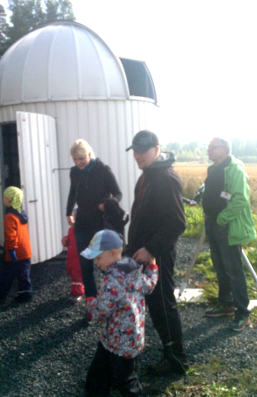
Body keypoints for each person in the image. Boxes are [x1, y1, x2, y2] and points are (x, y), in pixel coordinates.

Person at [126, 130, 189, 376]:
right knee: (154, 305)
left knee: (162, 304)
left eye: (142, 151)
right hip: (143, 252)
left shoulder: (165, 178)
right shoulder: (148, 175)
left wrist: (151, 249)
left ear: (156, 149)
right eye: (135, 151)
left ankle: (177, 359)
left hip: (158, 254)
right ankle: (168, 351)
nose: (137, 155)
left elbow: (177, 223)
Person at [82, 229, 158, 397]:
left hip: (119, 341)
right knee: (100, 369)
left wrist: (90, 302)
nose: (95, 262)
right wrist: (152, 266)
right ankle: (94, 391)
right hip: (126, 339)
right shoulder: (134, 271)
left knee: (125, 379)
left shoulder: (113, 279)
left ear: (113, 253)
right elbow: (149, 285)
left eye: (98, 258)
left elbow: (101, 311)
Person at [202, 137, 256, 332]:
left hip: (225, 225)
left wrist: (221, 219)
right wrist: (208, 215)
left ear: (225, 149)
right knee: (220, 267)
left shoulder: (235, 169)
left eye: (212, 147)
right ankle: (225, 304)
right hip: (213, 223)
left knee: (233, 270)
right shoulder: (213, 168)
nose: (208, 150)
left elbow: (240, 199)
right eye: (208, 146)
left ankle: (243, 312)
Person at [66, 139, 122, 317]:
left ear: (89, 154)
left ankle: (112, 302)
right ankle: (91, 306)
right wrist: (68, 212)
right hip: (82, 223)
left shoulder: (103, 170)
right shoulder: (74, 172)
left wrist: (107, 204)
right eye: (75, 159)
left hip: (100, 223)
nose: (78, 163)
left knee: (106, 266)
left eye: (81, 158)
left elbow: (118, 194)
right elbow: (72, 192)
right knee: (85, 266)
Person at [0, 186, 33, 303]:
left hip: (14, 252)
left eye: (5, 197)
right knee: (24, 275)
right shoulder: (22, 214)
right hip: (25, 251)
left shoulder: (9, 216)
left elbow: (11, 235)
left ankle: (0, 295)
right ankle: (26, 295)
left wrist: (11, 250)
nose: (3, 199)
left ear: (10, 200)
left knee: (6, 275)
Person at [61, 209, 85, 302]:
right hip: (71, 256)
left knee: (77, 275)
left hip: (79, 257)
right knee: (71, 271)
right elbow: (69, 239)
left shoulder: (84, 230)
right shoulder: (71, 229)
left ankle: (78, 293)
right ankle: (77, 290)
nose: (75, 219)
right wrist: (65, 240)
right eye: (74, 217)